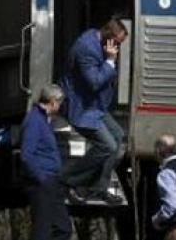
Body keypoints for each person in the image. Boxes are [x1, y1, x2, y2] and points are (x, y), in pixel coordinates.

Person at [60, 16, 127, 204]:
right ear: (109, 37)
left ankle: (99, 188)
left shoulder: (98, 39)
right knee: (108, 146)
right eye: (118, 43)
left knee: (118, 137)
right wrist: (111, 61)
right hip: (82, 110)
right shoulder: (86, 49)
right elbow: (95, 82)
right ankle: (67, 179)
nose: (119, 48)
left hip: (96, 106)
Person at [20, 85, 72, 240]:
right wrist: (41, 178)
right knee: (42, 232)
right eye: (60, 102)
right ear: (53, 102)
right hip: (42, 183)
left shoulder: (45, 120)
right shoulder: (34, 120)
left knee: (64, 229)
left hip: (52, 182)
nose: (60, 106)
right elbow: (26, 155)